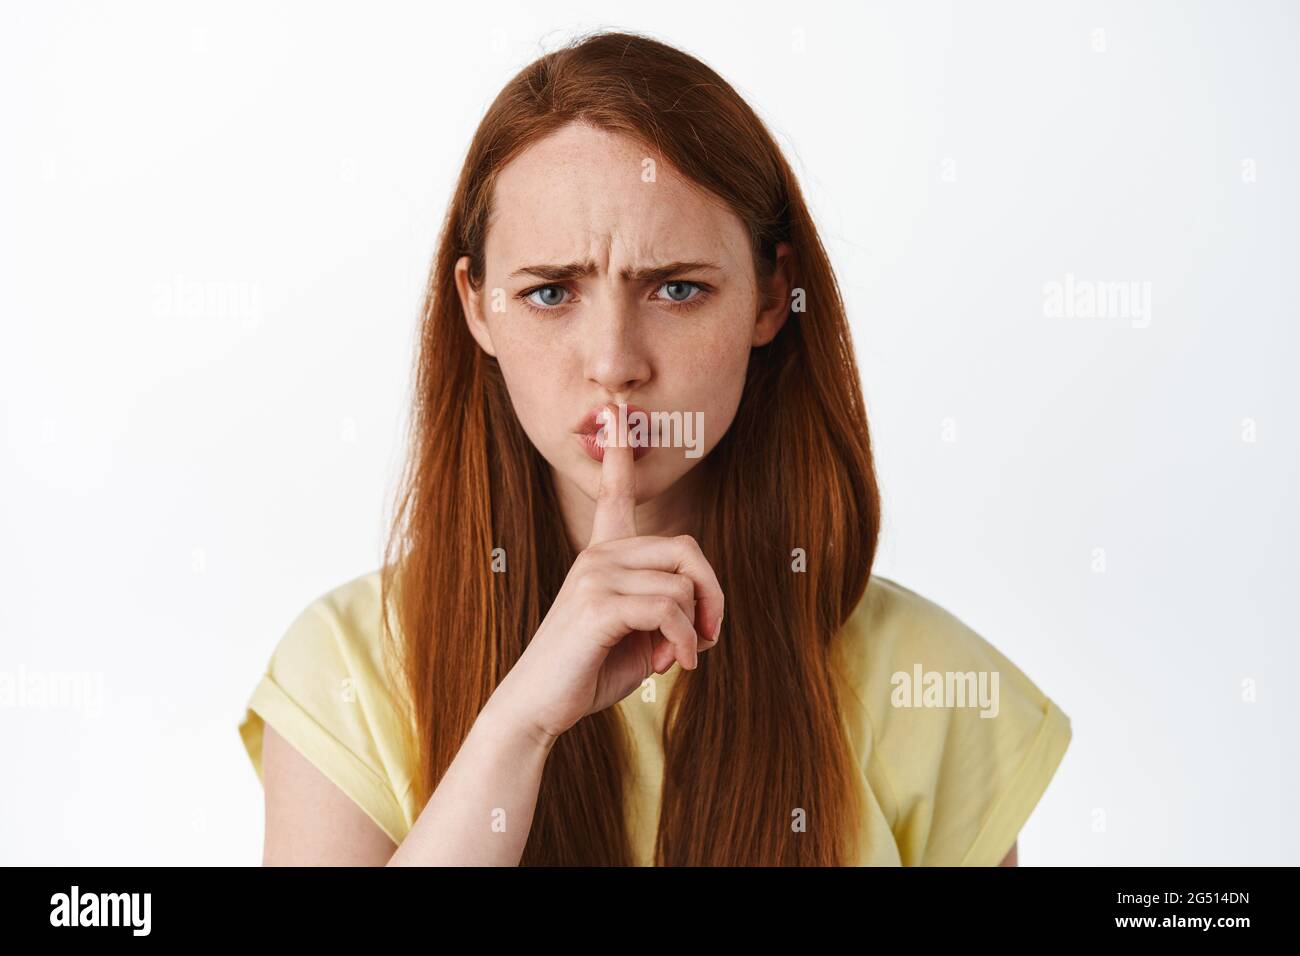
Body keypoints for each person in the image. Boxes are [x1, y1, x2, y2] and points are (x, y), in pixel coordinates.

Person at [238, 29, 1072, 866]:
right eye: (550, 292)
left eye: (677, 288)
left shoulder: (926, 682)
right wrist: (520, 724)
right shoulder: (345, 669)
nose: (614, 364)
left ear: (773, 295)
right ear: (478, 305)